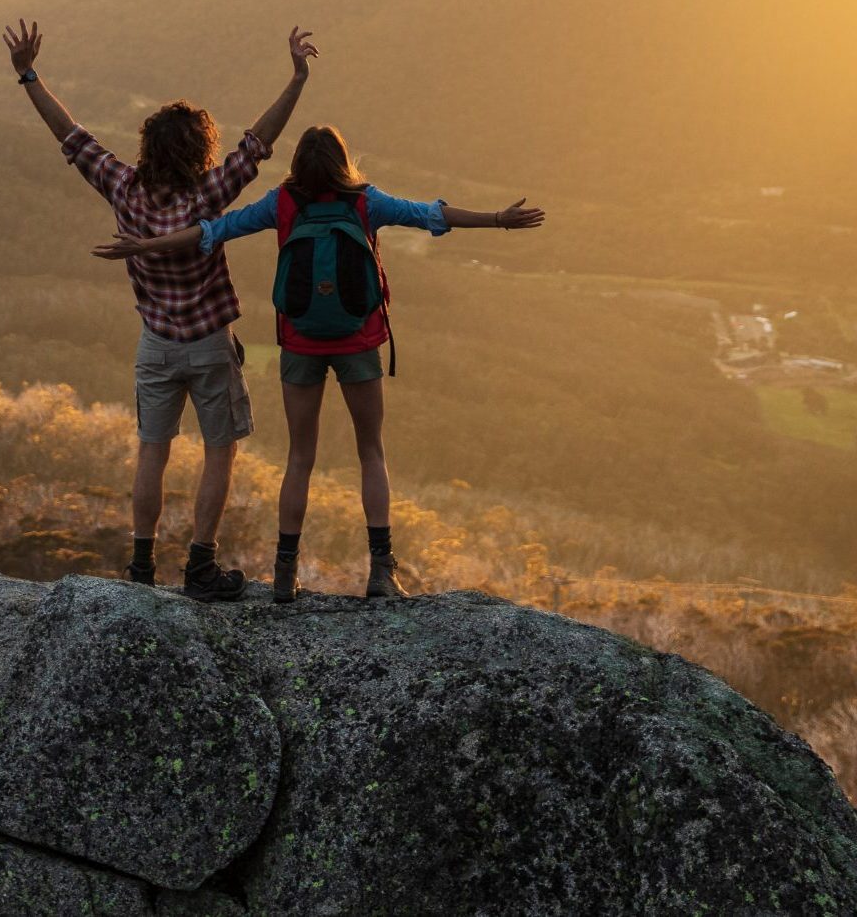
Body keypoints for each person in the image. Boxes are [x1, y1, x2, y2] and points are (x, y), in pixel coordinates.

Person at [96, 123, 544, 602]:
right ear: (342, 161)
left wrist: (145, 246)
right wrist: (498, 218)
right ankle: (380, 572)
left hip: (301, 345)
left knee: (299, 457)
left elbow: (212, 231)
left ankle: (285, 576)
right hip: (358, 341)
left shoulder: (281, 203)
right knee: (370, 451)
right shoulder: (365, 201)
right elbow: (430, 215)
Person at [3, 18, 319, 601]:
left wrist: (28, 74)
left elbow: (70, 135)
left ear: (149, 148)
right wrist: (296, 78)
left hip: (155, 343)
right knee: (218, 452)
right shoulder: (207, 195)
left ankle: (142, 569)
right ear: (200, 151)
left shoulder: (123, 188)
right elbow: (259, 143)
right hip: (209, 342)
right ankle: (200, 567)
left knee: (153, 450)